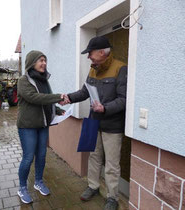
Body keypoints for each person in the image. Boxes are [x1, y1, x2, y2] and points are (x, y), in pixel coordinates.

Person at [64, 36, 127, 210]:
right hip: (93, 123)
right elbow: (85, 92)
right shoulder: (93, 69)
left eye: (90, 53)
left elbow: (123, 100)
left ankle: (112, 197)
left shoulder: (120, 69)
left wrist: (104, 108)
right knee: (93, 157)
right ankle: (93, 186)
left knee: (112, 164)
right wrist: (69, 98)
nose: (88, 57)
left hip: (112, 126)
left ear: (101, 52)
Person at [16, 50, 65, 204]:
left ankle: (38, 182)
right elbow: (34, 97)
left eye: (45, 60)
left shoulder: (44, 81)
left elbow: (46, 101)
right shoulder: (23, 81)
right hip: (28, 126)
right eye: (41, 60)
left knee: (42, 155)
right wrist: (58, 97)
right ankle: (22, 187)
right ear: (32, 62)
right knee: (28, 157)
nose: (44, 63)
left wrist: (57, 109)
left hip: (43, 125)